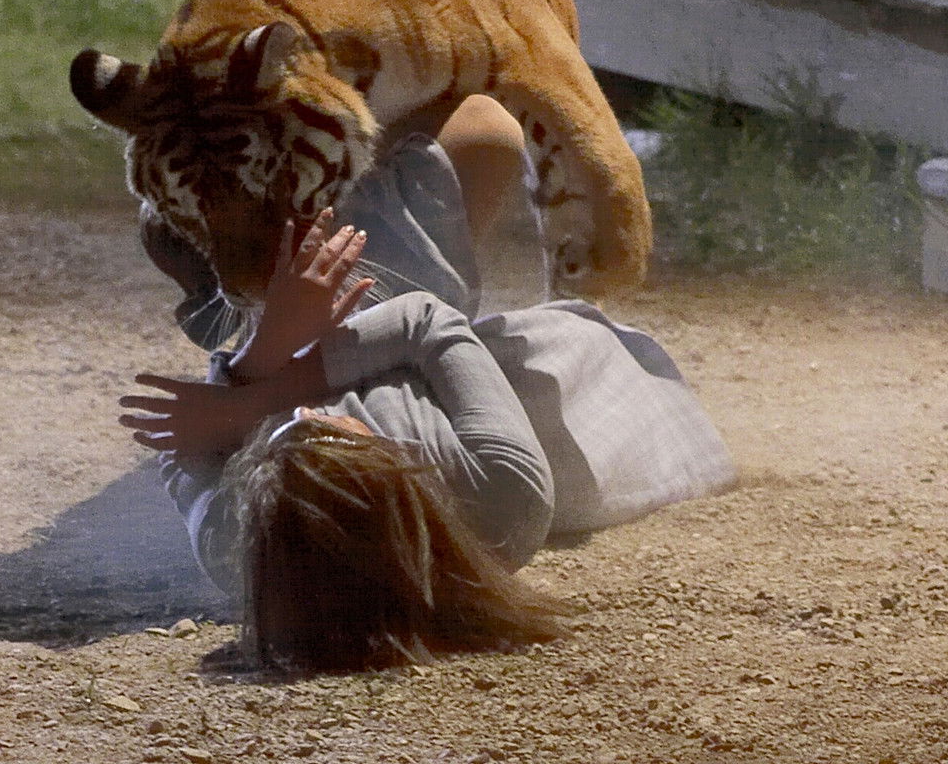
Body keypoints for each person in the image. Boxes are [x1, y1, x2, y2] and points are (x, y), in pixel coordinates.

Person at [120, 97, 737, 673]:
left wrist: (266, 352)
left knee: (170, 228)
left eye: (281, 438)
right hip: (450, 358)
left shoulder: (242, 552)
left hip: (327, 347)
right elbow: (425, 324)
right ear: (401, 471)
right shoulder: (503, 499)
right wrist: (255, 398)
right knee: (486, 125)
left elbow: (183, 442)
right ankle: (240, 286)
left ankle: (223, 296)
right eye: (332, 428)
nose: (302, 414)